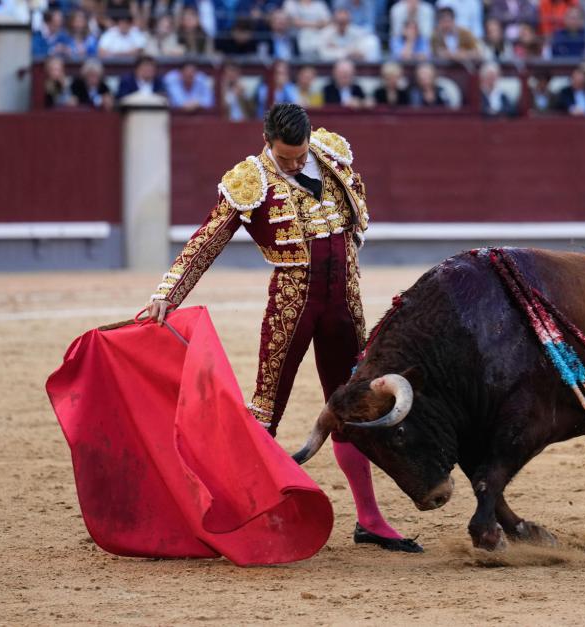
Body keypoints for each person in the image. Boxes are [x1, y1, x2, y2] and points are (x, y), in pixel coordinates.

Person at [145, 104, 423, 554]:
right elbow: (207, 238)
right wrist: (168, 292)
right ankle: (243, 513)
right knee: (266, 407)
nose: (294, 164)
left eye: (299, 155)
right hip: (293, 304)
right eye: (285, 158)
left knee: (352, 406)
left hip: (345, 300)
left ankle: (370, 519)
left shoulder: (330, 154)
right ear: (266, 140)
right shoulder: (249, 180)